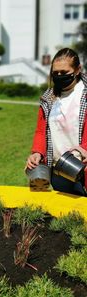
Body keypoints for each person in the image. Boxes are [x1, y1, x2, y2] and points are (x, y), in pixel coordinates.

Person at [26, 47, 87, 196]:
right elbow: (41, 131)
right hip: (58, 172)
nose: (59, 76)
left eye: (64, 73)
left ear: (77, 69)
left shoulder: (84, 94)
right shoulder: (48, 98)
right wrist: (37, 153)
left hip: (83, 169)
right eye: (55, 73)